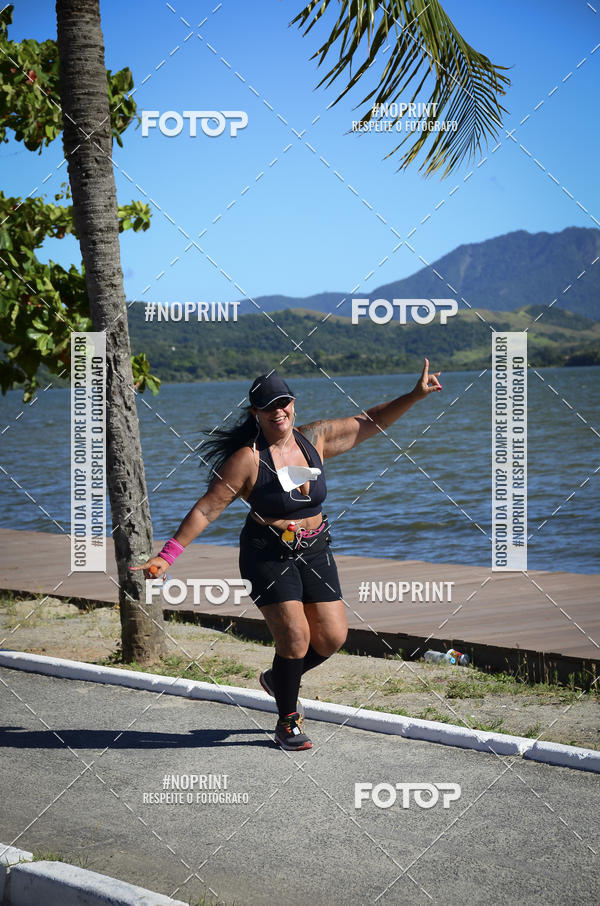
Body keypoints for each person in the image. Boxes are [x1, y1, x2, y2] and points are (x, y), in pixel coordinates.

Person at [132, 359, 442, 751]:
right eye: (268, 405)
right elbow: (207, 509)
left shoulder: (315, 439)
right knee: (295, 638)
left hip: (314, 548)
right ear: (255, 414)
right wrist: (167, 556)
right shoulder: (247, 459)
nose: (278, 410)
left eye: (284, 402)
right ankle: (288, 720)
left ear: (293, 404)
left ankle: (280, 679)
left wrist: (414, 396)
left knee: (331, 637)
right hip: (267, 554)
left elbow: (371, 420)